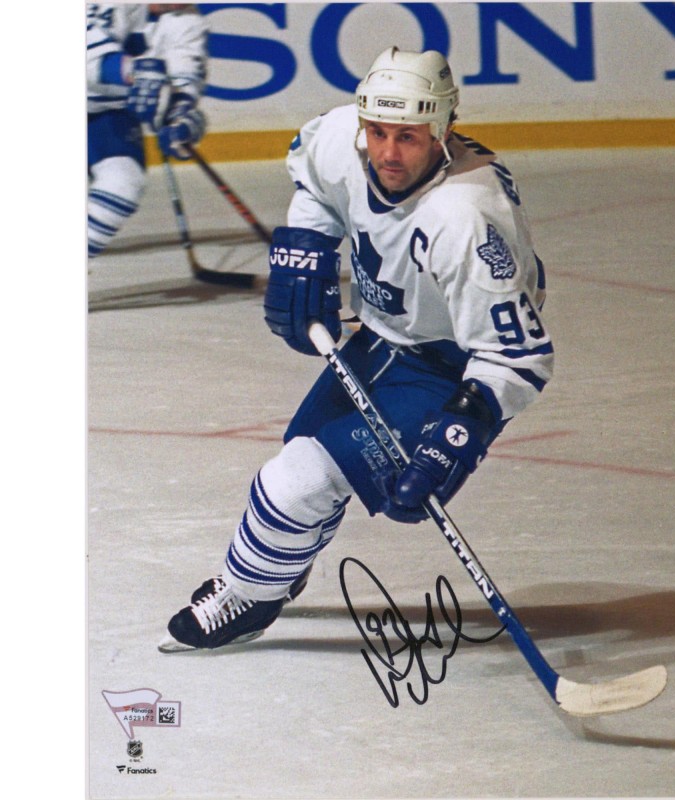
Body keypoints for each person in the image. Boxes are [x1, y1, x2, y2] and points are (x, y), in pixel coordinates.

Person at [158, 46, 555, 652]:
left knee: (297, 482)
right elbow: (316, 185)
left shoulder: (466, 219)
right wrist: (306, 247)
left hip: (450, 363)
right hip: (381, 334)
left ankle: (250, 595)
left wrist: (458, 434)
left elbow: (517, 356)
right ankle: (279, 569)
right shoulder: (343, 136)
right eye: (378, 131)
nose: (388, 153)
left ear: (442, 131)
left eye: (408, 137)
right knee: (305, 455)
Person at [87, 4, 208, 259]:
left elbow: (183, 82)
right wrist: (134, 71)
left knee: (123, 182)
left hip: (107, 112)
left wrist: (179, 116)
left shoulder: (189, 22)